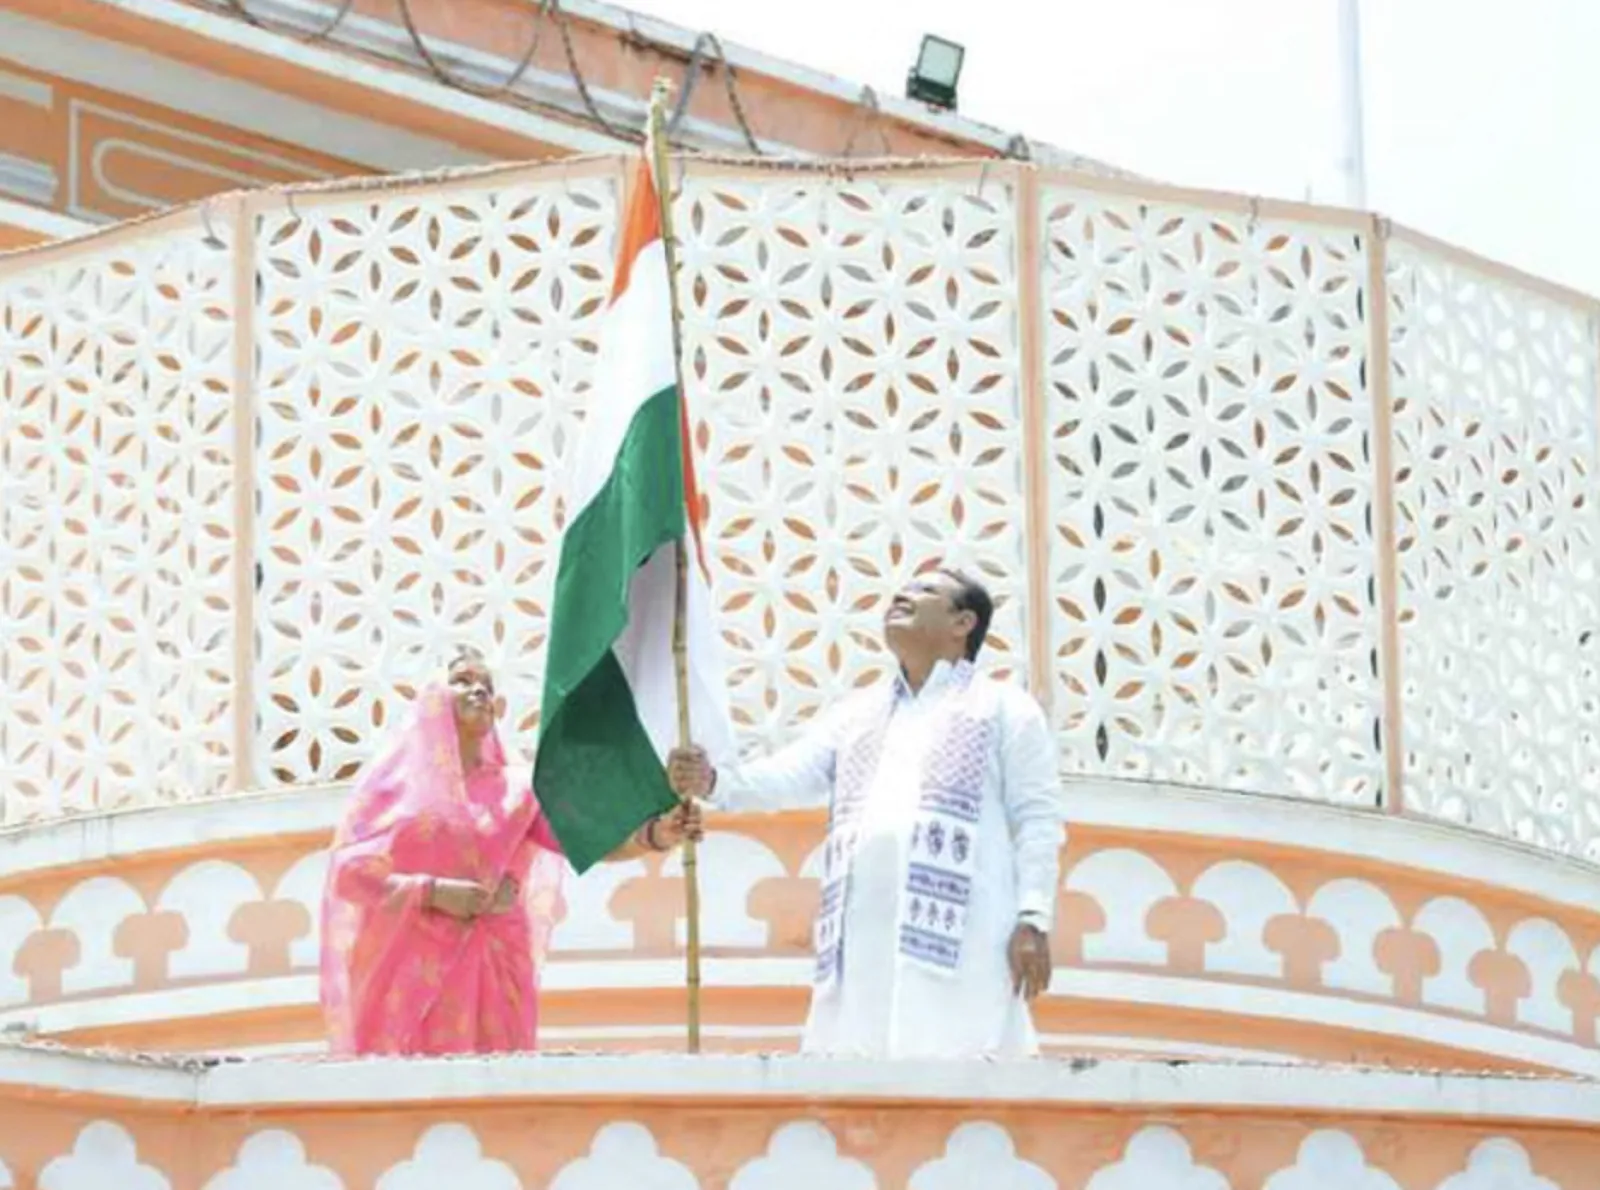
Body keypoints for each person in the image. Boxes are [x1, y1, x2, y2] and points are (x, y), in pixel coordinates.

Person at [669, 568, 1065, 1059]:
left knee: (958, 1073)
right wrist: (712, 782)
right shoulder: (860, 713)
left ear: (963, 622)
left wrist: (1033, 917)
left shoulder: (1004, 708)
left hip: (966, 938)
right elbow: (786, 777)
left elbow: (1038, 820)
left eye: (924, 591)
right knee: (859, 1076)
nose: (901, 594)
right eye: (902, 589)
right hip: (860, 937)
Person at [321, 646, 701, 1056]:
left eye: (486, 685)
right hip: (407, 976)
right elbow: (348, 875)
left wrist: (656, 834)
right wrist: (434, 892)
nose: (479, 691)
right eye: (463, 680)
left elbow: (581, 839)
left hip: (493, 970)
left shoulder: (517, 791)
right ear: (432, 698)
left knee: (490, 1091)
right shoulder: (392, 786)